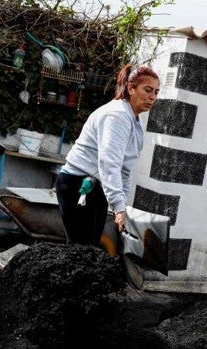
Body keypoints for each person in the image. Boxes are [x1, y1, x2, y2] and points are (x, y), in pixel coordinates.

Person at [55, 64, 160, 246]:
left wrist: (121, 205)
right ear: (131, 88)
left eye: (156, 92)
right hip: (77, 184)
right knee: (80, 249)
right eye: (148, 90)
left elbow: (125, 169)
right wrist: (119, 207)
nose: (153, 97)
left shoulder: (136, 121)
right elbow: (109, 164)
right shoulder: (117, 116)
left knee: (91, 246)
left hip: (97, 185)